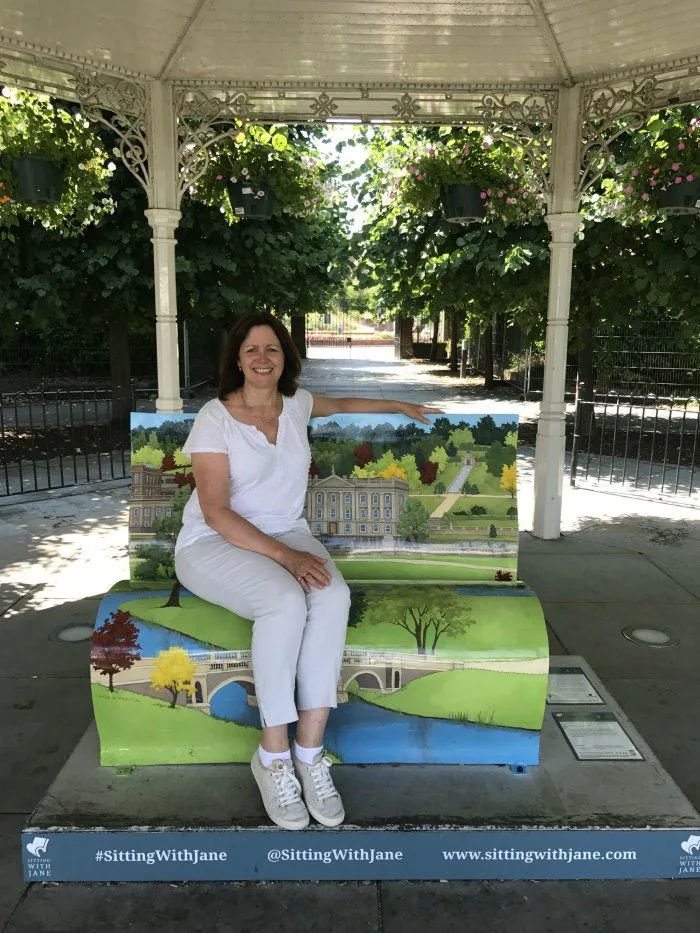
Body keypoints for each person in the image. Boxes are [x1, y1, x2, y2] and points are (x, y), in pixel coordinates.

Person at [174, 311, 440, 830]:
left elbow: (341, 404)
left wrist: (398, 404)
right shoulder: (216, 416)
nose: (261, 359)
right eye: (250, 350)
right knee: (285, 600)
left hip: (287, 531)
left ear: (285, 358)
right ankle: (272, 756)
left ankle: (309, 751)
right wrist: (288, 559)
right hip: (214, 542)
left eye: (271, 349)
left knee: (331, 596)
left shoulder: (296, 404)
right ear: (236, 359)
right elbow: (216, 512)